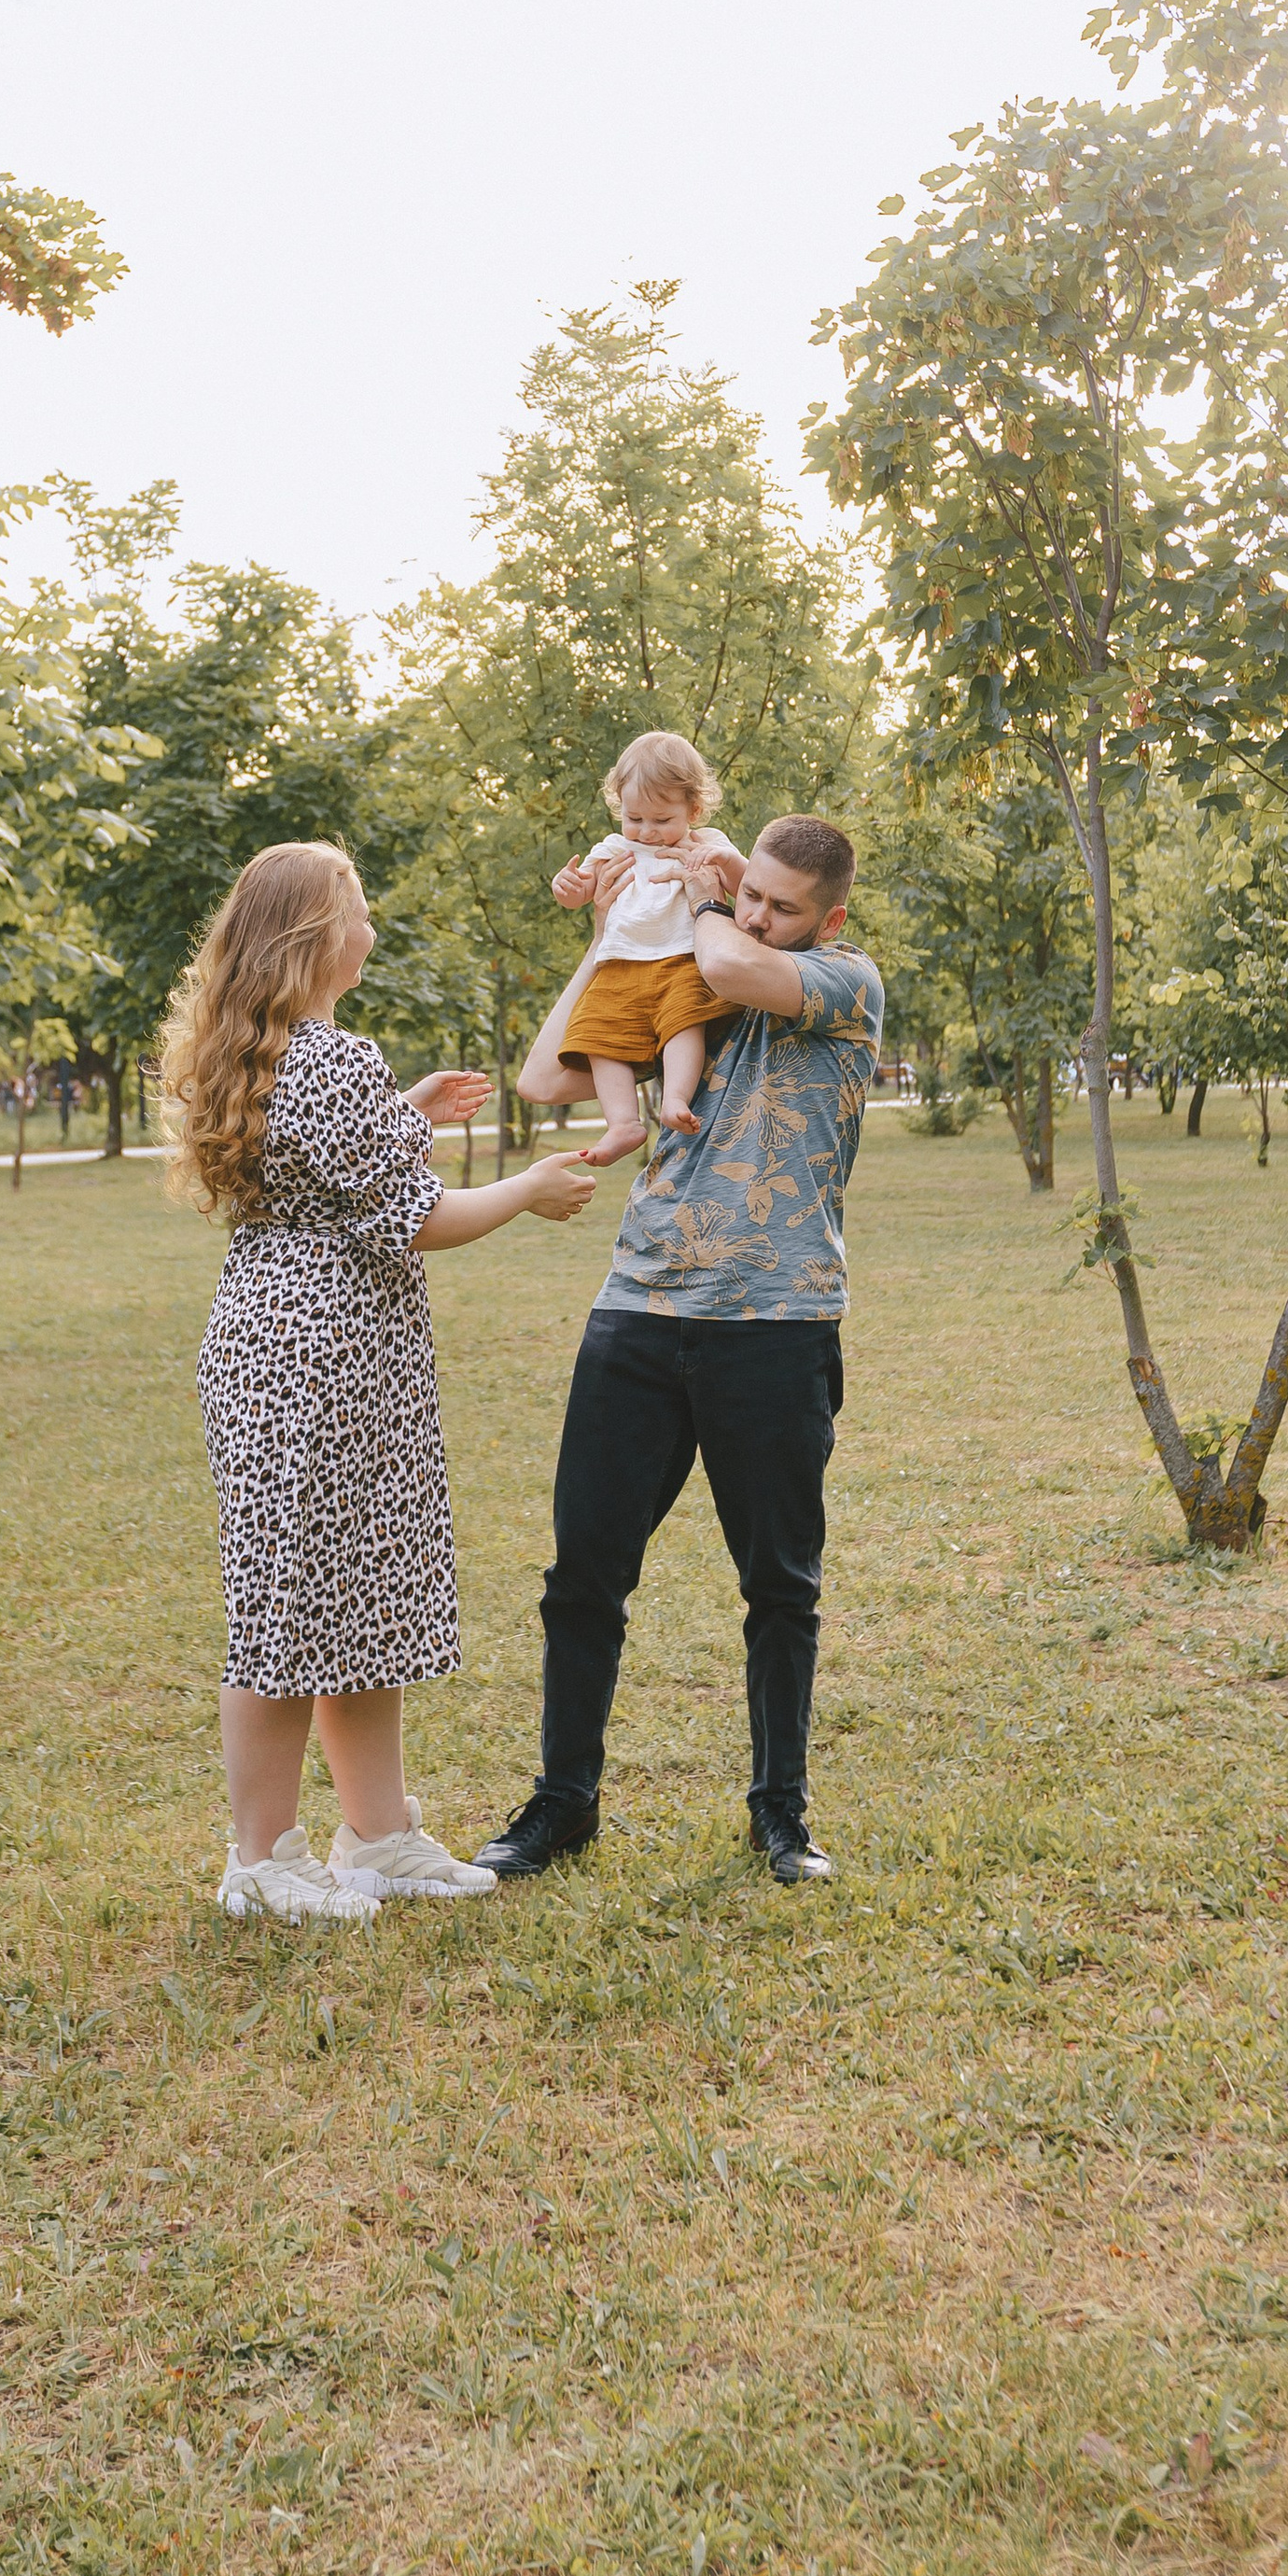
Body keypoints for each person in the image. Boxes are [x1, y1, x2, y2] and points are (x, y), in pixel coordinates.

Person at [160, 839, 597, 1926]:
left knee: (358, 1589)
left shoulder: (257, 1053)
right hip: (322, 1358)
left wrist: (406, 1109)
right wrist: (527, 1187)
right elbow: (418, 1218)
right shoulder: (332, 1061)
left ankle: (378, 1833)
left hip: (279, 1343)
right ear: (316, 936)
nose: (371, 931)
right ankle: (260, 1859)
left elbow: (320, 1166)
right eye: (358, 912)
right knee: (289, 1605)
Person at [473, 812, 882, 1889]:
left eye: (778, 902)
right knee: (582, 1577)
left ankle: (779, 1817)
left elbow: (733, 959)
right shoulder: (686, 974)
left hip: (776, 1323)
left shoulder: (842, 980)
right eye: (751, 896)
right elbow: (543, 1079)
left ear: (826, 916)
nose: (756, 915)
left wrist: (701, 898)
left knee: (779, 1585)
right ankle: (563, 1808)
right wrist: (611, 936)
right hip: (639, 1311)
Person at [549, 728, 745, 1163]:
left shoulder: (707, 843)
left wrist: (726, 861)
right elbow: (583, 890)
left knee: (683, 1024)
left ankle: (674, 1099)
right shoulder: (615, 847)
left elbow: (744, 886)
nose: (647, 832)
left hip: (683, 960)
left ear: (693, 809)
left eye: (661, 821)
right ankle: (623, 1123)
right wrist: (569, 888)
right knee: (597, 1036)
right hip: (619, 965)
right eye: (635, 818)